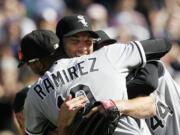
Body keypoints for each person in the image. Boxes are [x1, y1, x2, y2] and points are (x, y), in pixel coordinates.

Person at [18, 28, 172, 135]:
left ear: (36, 63)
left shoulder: (34, 95)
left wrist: (63, 126)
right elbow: (164, 44)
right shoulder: (105, 56)